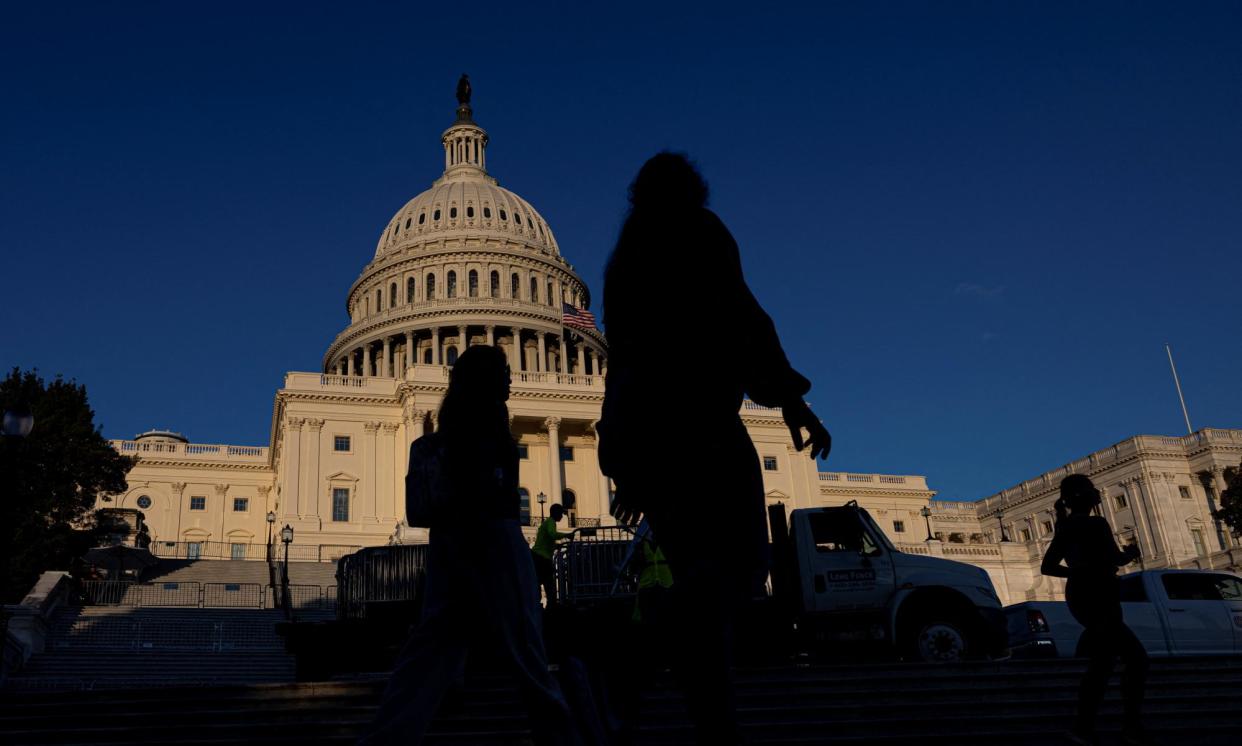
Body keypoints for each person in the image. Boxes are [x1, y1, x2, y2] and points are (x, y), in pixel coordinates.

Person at [597, 152, 831, 744]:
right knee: (731, 578)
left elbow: (621, 366)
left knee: (709, 584)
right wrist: (789, 398)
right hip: (702, 431)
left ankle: (685, 696)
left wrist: (622, 460)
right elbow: (745, 316)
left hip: (654, 438)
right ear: (693, 189)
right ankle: (651, 661)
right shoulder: (700, 232)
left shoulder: (627, 256)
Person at [359, 345, 580, 746]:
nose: (512, 380)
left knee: (426, 657)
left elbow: (419, 511)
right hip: (498, 548)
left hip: (450, 549)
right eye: (504, 373)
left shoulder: (427, 447)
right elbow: (506, 503)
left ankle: (383, 740)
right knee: (527, 654)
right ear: (486, 382)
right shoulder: (498, 444)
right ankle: (562, 736)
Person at [1041, 474, 1150, 746]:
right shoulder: (1096, 524)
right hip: (1100, 594)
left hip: (1081, 595)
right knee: (1136, 659)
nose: (1098, 494)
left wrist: (1077, 573)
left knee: (1104, 662)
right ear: (1085, 496)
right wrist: (1132, 552)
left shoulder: (1065, 526)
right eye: (1093, 490)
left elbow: (1048, 567)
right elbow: (1115, 558)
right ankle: (1129, 726)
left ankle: (1086, 727)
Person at [532, 503, 572, 605]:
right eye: (561, 513)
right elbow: (552, 534)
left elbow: (547, 541)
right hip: (542, 558)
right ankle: (551, 606)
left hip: (538, 557)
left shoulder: (547, 522)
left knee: (540, 582)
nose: (562, 516)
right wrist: (567, 535)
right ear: (555, 513)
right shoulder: (551, 522)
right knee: (548, 583)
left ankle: (541, 604)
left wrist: (556, 546)